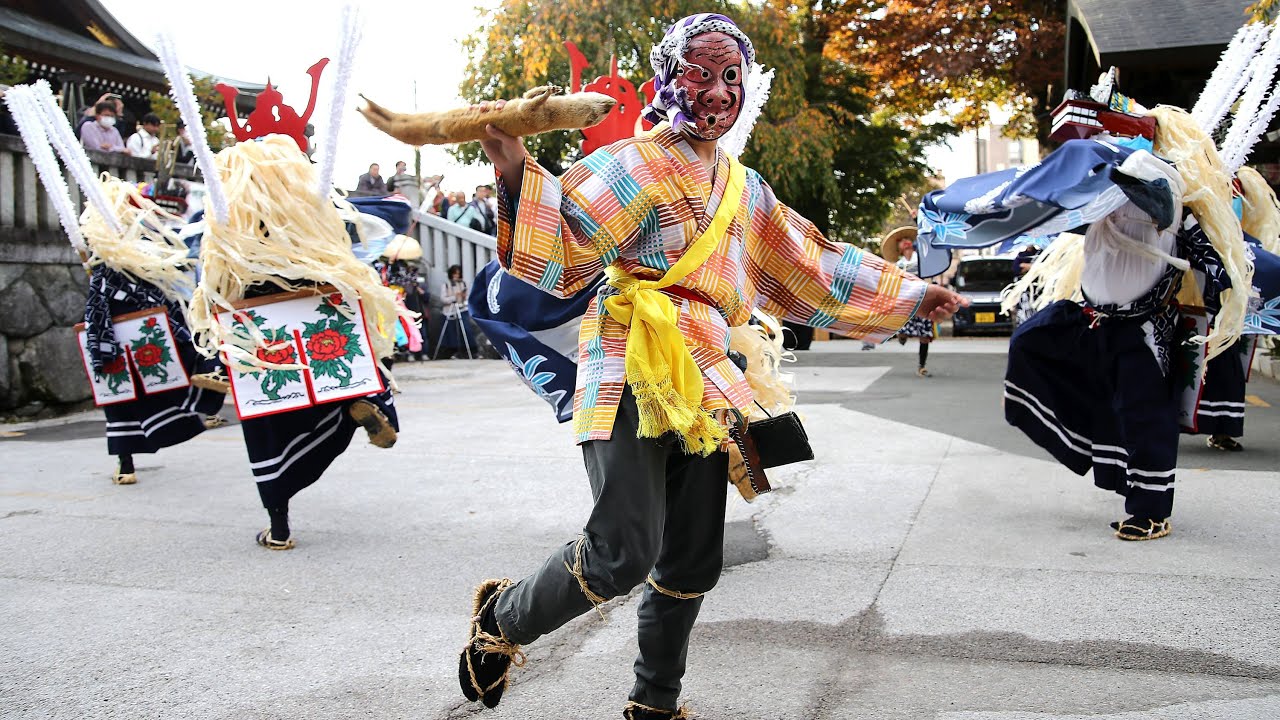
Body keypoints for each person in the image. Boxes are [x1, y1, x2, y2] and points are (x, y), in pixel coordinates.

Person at [456, 13, 964, 718]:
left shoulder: (744, 187)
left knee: (693, 561)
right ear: (668, 77)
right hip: (631, 359)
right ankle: (501, 621)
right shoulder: (634, 162)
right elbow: (564, 250)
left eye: (733, 77)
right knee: (622, 552)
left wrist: (911, 295)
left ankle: (654, 705)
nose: (720, 92)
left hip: (706, 376)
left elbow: (811, 262)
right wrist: (514, 169)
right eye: (702, 73)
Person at [881, 226, 936, 376]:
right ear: (898, 248)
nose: (904, 242)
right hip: (906, 300)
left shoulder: (922, 258)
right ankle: (901, 334)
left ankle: (921, 366)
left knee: (924, 335)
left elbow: (929, 236)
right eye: (900, 241)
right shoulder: (897, 265)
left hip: (923, 298)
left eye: (907, 239)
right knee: (902, 326)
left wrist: (915, 220)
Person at [436, 264, 477, 358]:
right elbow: (443, 299)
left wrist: (463, 297)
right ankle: (453, 351)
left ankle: (470, 350)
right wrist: (454, 297)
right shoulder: (446, 285)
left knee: (466, 329)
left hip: (462, 308)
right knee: (452, 332)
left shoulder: (463, 283)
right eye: (454, 274)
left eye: (458, 274)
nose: (456, 276)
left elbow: (467, 297)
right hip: (450, 311)